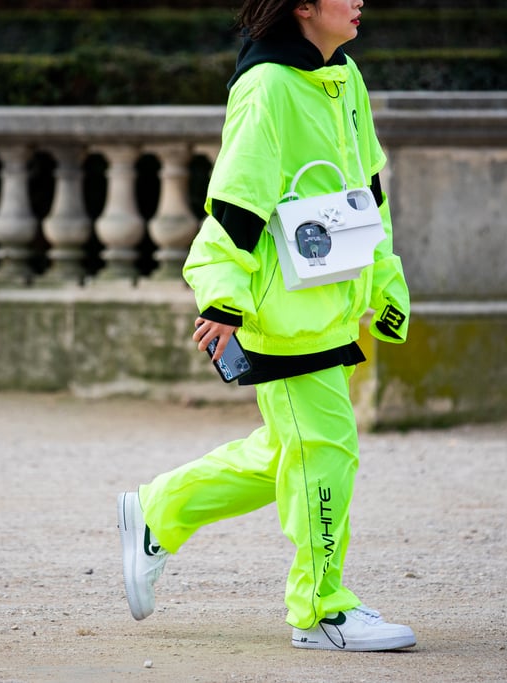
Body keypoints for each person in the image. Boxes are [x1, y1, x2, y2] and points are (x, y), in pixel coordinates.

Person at [117, 0, 415, 652]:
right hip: (283, 315)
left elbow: (369, 192)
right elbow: (234, 205)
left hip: (331, 307)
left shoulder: (347, 78)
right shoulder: (267, 88)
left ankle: (160, 509)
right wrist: (221, 299)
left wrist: (387, 281)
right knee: (327, 450)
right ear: (303, 6)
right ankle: (320, 609)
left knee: (291, 453)